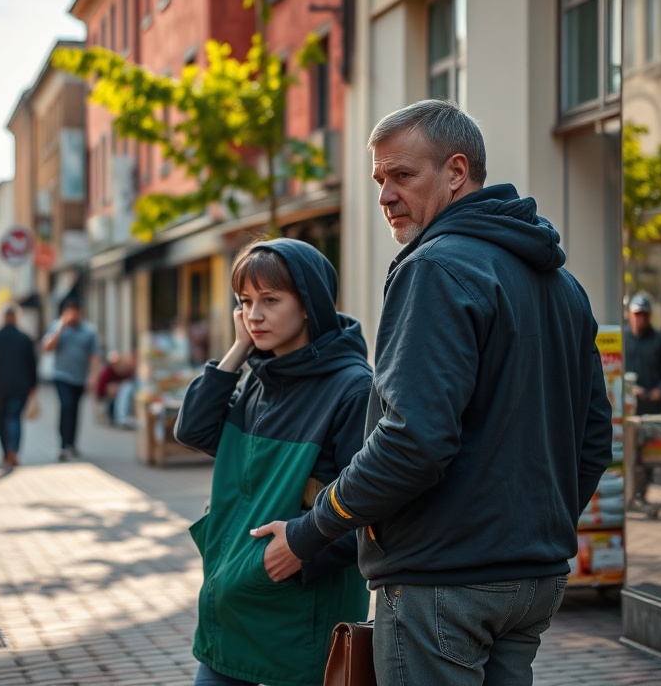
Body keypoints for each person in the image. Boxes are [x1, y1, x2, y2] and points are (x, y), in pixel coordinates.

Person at [252, 99, 613, 685]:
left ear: (455, 171)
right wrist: (532, 529)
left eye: (402, 175)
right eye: (378, 179)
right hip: (532, 579)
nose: (384, 196)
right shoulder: (562, 284)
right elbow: (595, 435)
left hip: (444, 581)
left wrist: (311, 529)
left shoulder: (435, 268)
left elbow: (412, 441)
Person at [174, 237, 373, 686]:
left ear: (309, 304)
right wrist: (238, 350)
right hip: (230, 605)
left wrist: (299, 553)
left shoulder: (352, 388)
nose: (254, 315)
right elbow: (193, 431)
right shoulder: (261, 377)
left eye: (270, 300)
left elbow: (372, 509)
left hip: (298, 615)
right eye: (245, 302)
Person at [0, 305, 38, 468]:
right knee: (14, 417)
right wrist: (33, 385)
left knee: (2, 419)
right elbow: (33, 364)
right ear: (16, 318)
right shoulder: (24, 338)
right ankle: (14, 449)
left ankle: (6, 451)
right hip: (20, 386)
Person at [42, 299, 100, 461]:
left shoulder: (88, 331)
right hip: (61, 375)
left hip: (80, 377)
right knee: (66, 406)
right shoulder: (57, 327)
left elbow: (94, 354)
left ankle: (71, 444)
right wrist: (61, 326)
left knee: (74, 410)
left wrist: (93, 376)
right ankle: (63, 444)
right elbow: (47, 347)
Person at [624, 294, 661, 415]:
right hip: (626, 403)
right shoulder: (622, 339)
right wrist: (627, 388)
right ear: (629, 315)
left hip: (652, 405)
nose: (641, 319)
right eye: (637, 314)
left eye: (645, 314)